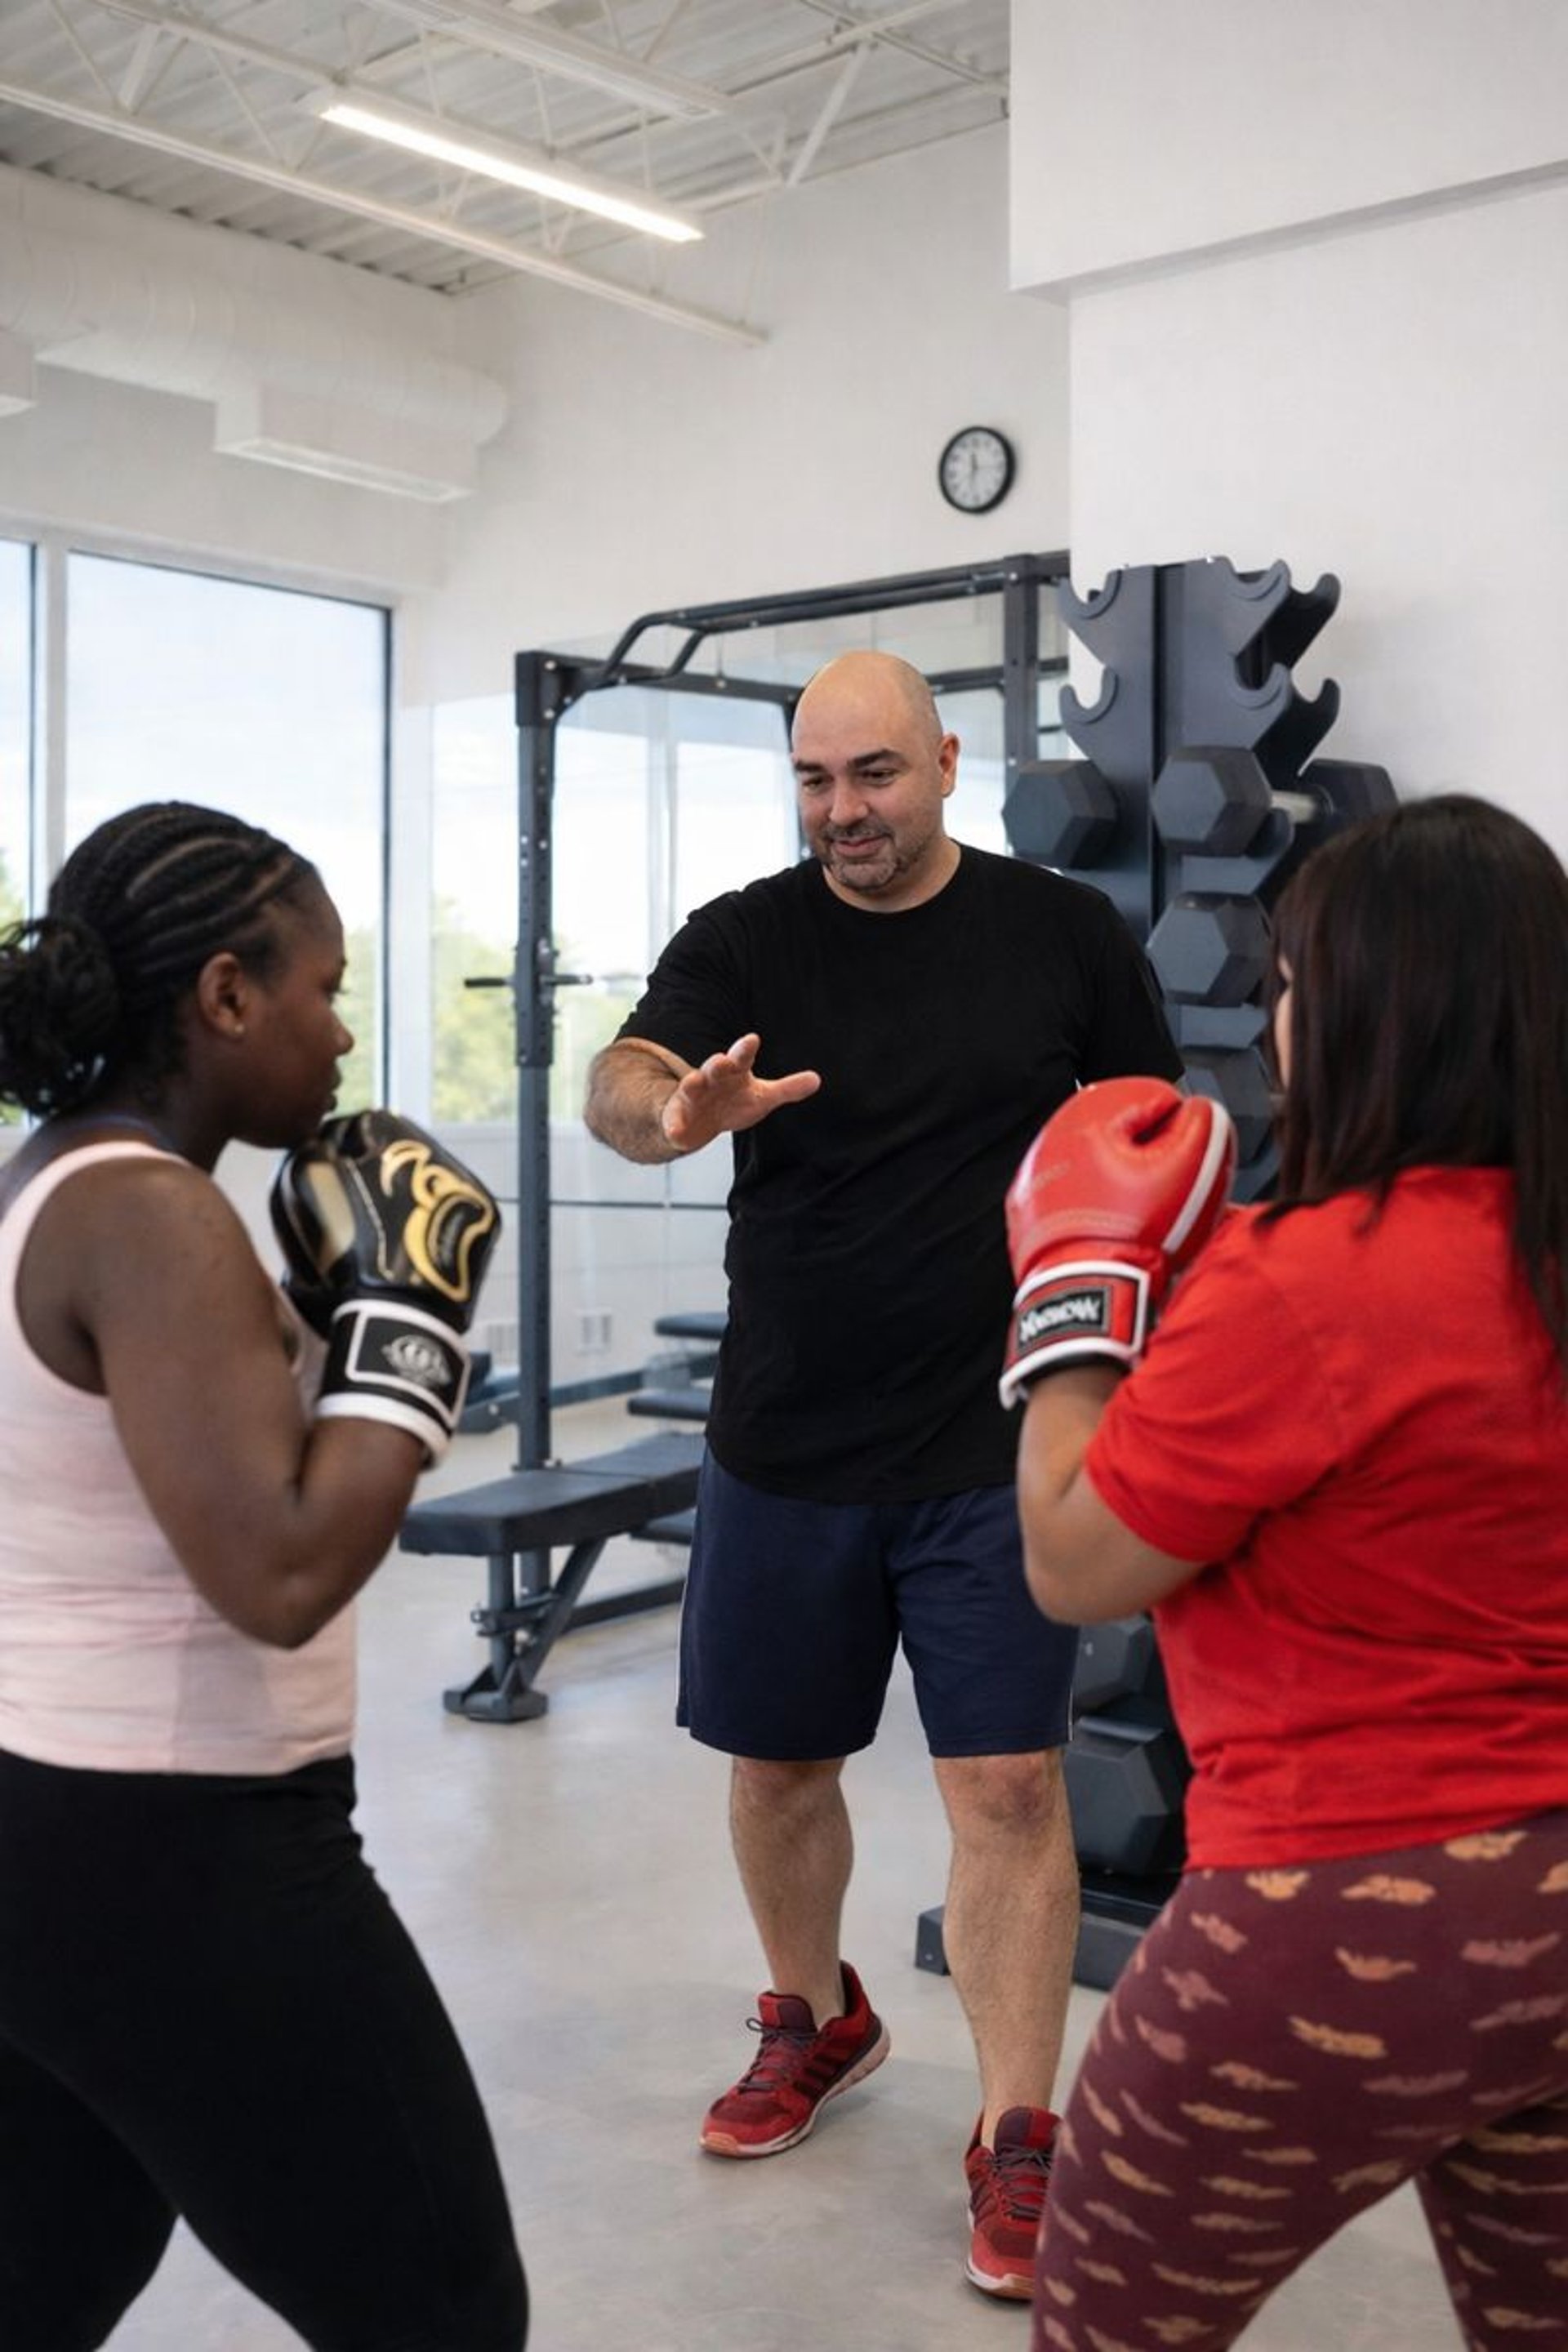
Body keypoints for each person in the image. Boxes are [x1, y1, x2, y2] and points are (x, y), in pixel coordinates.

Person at [584, 648, 1183, 2296]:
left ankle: (1015, 2129)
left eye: (874, 776)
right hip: (787, 1441)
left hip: (996, 1441)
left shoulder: (1059, 932)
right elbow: (618, 1086)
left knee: (1005, 1786)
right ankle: (819, 2017)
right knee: (779, 1770)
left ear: (944, 764)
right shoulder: (744, 940)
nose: (843, 811)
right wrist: (677, 1111)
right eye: (815, 781)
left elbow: (1148, 1123)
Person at [1005, 792, 1568, 2350]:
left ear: (1370, 1009)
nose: (1276, 1014)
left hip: (1340, 1911)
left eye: (1295, 982)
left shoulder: (1310, 1278)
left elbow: (1073, 1560)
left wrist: (1078, 1292)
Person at [0, 801, 528, 2352]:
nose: (344, 1029)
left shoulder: (57, 1175)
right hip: (185, 1853)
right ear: (226, 997)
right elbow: (281, 1569)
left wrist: (324, 1319)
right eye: (324, 988)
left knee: (39, 2284)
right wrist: (409, 1327)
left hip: (52, 1822)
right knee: (444, 2313)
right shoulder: (155, 1218)